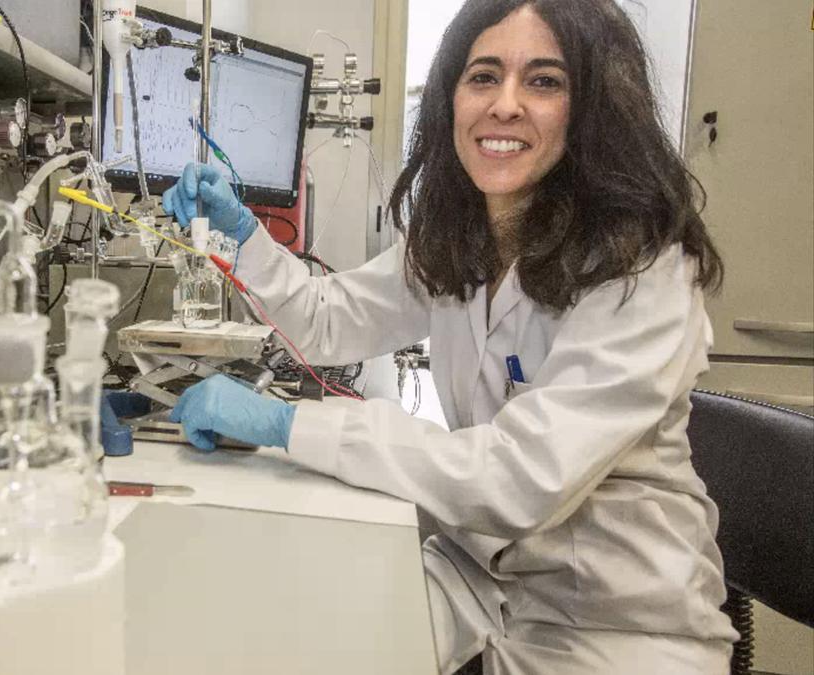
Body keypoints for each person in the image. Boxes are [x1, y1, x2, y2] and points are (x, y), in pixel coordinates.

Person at [160, 0, 738, 672]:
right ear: (450, 100)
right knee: (284, 635)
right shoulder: (457, 241)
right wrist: (243, 231)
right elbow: (326, 321)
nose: (506, 104)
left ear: (594, 106)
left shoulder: (643, 269)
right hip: (479, 584)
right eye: (483, 76)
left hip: (617, 628)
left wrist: (289, 423)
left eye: (544, 81)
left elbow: (519, 478)